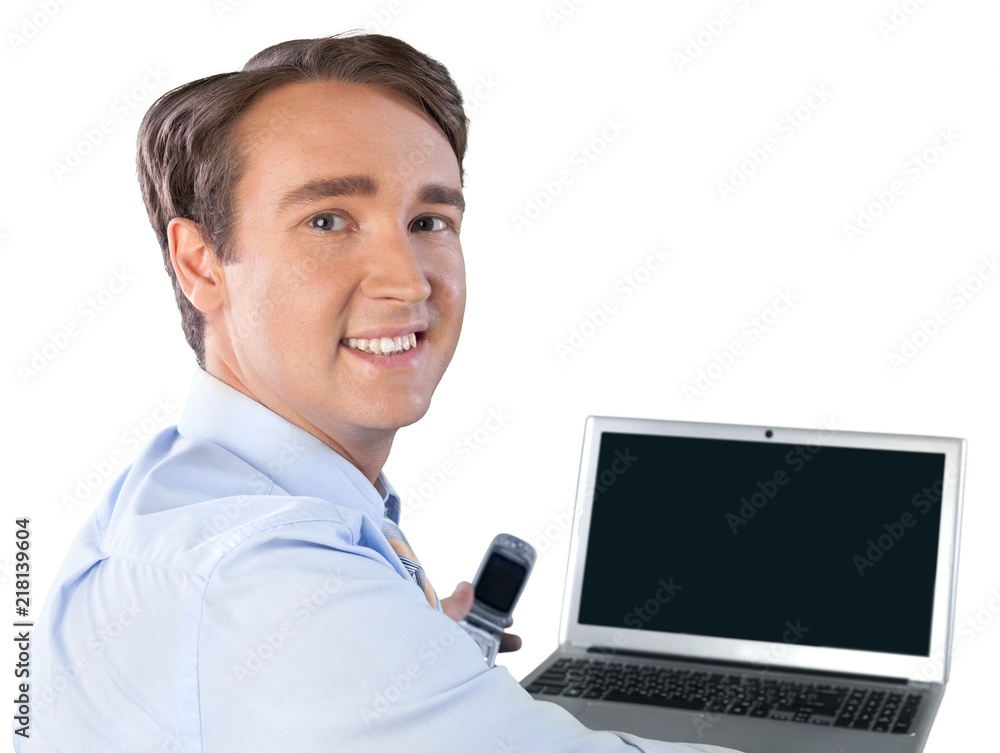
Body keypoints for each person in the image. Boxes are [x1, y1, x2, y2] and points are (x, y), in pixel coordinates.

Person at [18, 33, 741, 752]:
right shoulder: (271, 582)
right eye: (327, 220)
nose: (408, 279)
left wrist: (412, 661)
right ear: (201, 262)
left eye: (429, 221)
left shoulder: (169, 495)